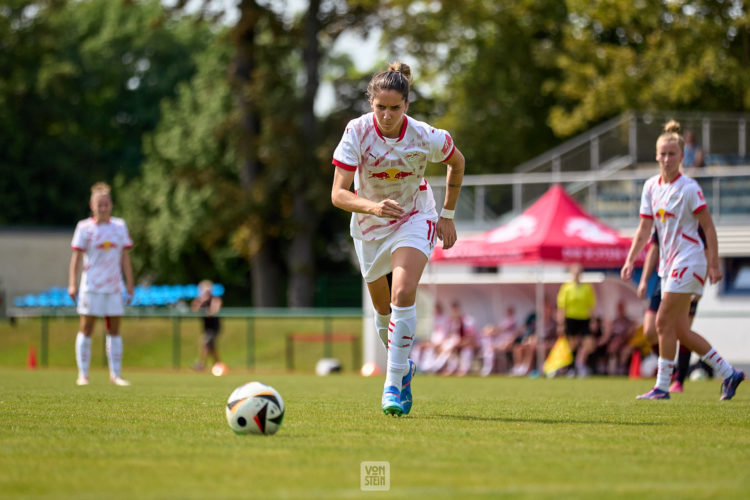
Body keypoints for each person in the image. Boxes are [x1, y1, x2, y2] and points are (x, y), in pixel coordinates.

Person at [331, 62, 465, 416]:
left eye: (395, 108)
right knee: (381, 312)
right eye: (380, 108)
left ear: (407, 104)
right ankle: (404, 369)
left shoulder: (425, 135)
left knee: (402, 292)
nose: (387, 115)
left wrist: (447, 215)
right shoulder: (356, 131)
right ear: (371, 104)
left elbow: (458, 161)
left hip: (414, 216)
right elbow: (338, 194)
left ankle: (391, 386)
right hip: (369, 224)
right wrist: (373, 207)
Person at [621, 120, 745, 400]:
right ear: (656, 156)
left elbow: (709, 227)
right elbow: (644, 229)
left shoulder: (689, 187)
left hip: (689, 262)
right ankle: (729, 373)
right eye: (662, 154)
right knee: (680, 330)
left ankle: (662, 386)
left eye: (672, 154)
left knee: (662, 322)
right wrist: (631, 260)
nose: (666, 159)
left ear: (681, 156)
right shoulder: (650, 187)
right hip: (668, 266)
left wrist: (713, 263)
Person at [68, 182, 134, 386]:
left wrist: (129, 284)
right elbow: (76, 258)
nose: (103, 208)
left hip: (114, 287)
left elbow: (125, 257)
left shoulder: (119, 226)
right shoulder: (84, 227)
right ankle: (83, 375)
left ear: (111, 205)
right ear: (92, 205)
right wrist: (72, 283)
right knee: (86, 329)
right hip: (91, 286)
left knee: (114, 330)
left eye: (106, 204)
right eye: (99, 204)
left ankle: (116, 375)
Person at [556, 263, 597, 376]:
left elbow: (591, 305)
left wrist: (593, 320)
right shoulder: (566, 287)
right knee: (571, 345)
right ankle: (572, 368)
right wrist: (561, 323)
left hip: (584, 318)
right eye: (575, 272)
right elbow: (562, 307)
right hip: (570, 319)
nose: (577, 275)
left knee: (589, 344)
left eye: (579, 273)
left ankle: (580, 363)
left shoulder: (587, 287)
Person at [191, 280, 224, 373]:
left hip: (214, 327)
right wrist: (202, 302)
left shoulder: (215, 300)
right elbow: (194, 309)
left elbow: (213, 312)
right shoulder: (200, 300)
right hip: (206, 327)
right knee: (211, 347)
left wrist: (208, 309)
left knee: (206, 343)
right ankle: (218, 364)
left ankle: (201, 364)